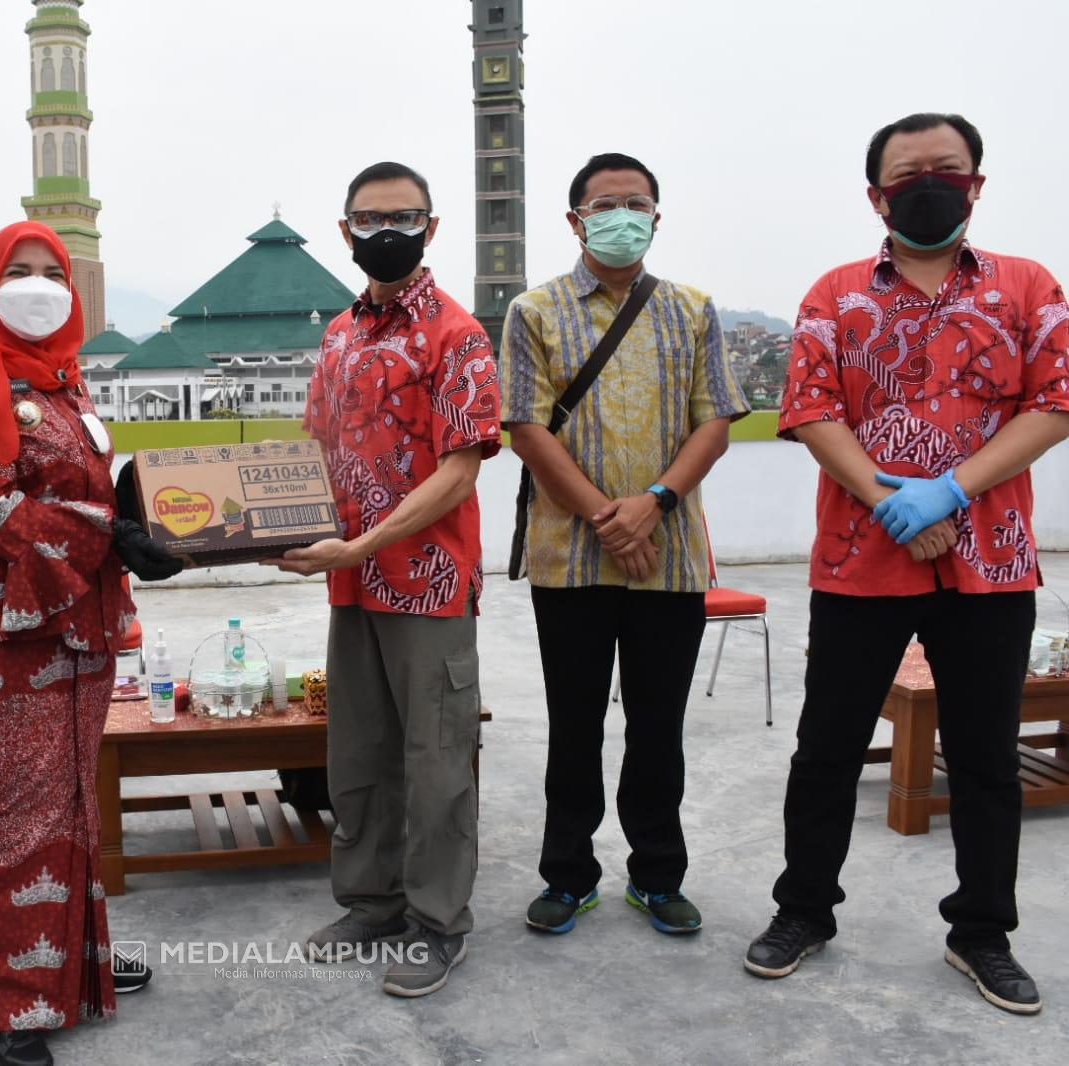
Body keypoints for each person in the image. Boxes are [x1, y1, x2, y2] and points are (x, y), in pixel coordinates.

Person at [743, 113, 1069, 1015]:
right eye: (908, 171)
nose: (929, 181)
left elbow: (1056, 402)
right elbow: (809, 410)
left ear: (976, 180)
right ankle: (803, 910)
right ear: (875, 194)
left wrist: (950, 492)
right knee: (826, 750)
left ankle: (981, 933)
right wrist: (891, 501)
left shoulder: (1026, 287)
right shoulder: (836, 293)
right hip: (859, 559)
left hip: (988, 564)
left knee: (984, 760)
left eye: (947, 167)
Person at [0, 221, 180, 1066]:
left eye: (52, 272)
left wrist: (136, 516)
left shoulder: (67, 384)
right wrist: (113, 536)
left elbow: (83, 488)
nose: (38, 285)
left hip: (75, 623)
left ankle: (67, 965)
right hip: (2, 631)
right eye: (19, 271)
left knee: (68, 800)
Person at [267, 161, 501, 999]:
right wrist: (279, 528)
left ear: (431, 226)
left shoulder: (456, 335)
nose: (386, 232)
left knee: (437, 758)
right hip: (353, 586)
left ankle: (438, 923)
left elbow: (460, 471)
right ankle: (371, 901)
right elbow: (312, 456)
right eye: (368, 220)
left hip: (427, 584)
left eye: (402, 217)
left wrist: (361, 543)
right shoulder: (338, 335)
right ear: (344, 232)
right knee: (358, 751)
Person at [500, 154, 748, 938]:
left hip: (668, 558)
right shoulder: (532, 312)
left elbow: (714, 420)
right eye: (603, 203)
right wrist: (608, 518)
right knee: (572, 725)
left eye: (635, 202)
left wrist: (655, 503)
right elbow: (526, 428)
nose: (620, 214)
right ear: (574, 220)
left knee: (657, 727)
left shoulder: (693, 309)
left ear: (656, 217)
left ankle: (657, 875)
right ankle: (568, 877)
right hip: (569, 561)